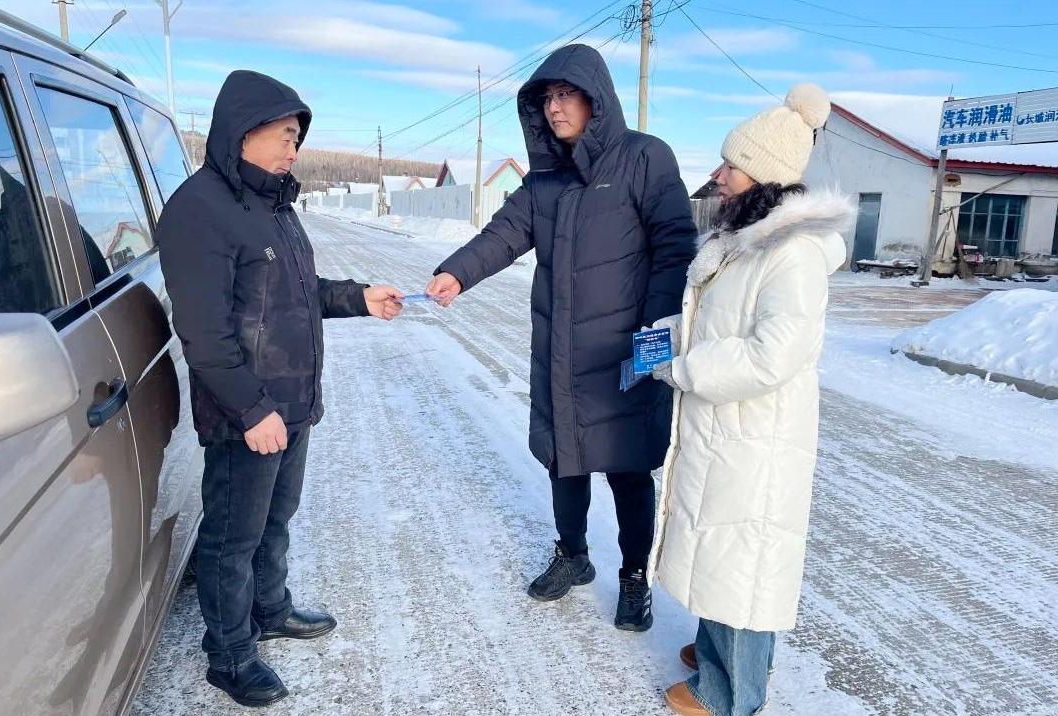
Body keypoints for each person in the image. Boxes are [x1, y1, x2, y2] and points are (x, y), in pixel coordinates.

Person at [426, 44, 696, 630]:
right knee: (564, 459)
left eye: (566, 94)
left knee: (628, 468)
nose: (555, 107)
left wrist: (656, 330)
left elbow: (675, 246)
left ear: (597, 99)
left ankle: (635, 577)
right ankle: (573, 555)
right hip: (562, 352)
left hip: (625, 350)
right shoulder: (545, 179)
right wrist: (456, 273)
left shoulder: (644, 158)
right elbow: (504, 234)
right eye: (547, 97)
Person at [156, 70, 403, 707]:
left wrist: (359, 297)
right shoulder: (199, 209)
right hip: (249, 412)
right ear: (244, 131)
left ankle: (269, 609)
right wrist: (251, 408)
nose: (294, 149)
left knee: (276, 518)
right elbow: (205, 333)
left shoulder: (274, 206)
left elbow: (298, 294)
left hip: (291, 403)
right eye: (286, 135)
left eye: (298, 138)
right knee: (231, 537)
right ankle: (229, 655)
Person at [646, 84, 853, 716]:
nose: (719, 175)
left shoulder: (792, 254)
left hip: (755, 434)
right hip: (726, 428)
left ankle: (731, 693)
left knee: (744, 564)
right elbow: (718, 322)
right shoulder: (746, 240)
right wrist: (663, 342)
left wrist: (685, 368)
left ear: (763, 178)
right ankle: (719, 652)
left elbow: (773, 354)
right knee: (720, 552)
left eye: (731, 166)